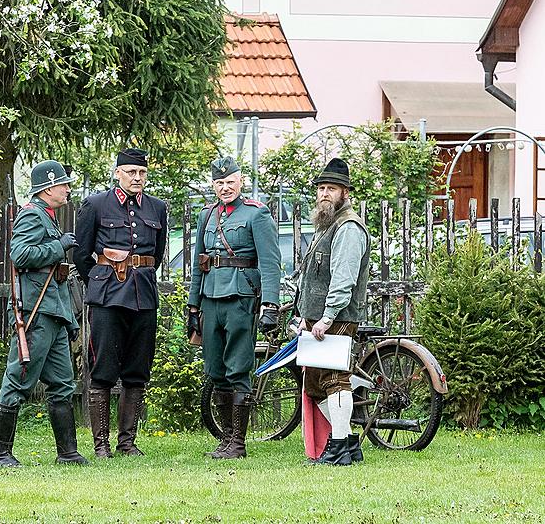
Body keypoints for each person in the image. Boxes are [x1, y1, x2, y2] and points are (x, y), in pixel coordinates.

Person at [0, 160, 88, 467]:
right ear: (48, 188)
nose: (68, 188)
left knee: (62, 383)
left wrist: (68, 318)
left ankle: (67, 452)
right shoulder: (32, 215)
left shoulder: (46, 216)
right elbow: (20, 255)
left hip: (53, 313)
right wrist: (59, 246)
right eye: (64, 184)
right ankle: (0, 453)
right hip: (35, 313)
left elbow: (52, 276)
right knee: (19, 378)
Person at [74, 148, 168, 458]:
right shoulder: (95, 205)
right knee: (102, 370)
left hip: (143, 295)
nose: (137, 178)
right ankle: (101, 445)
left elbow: (157, 252)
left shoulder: (157, 208)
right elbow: (81, 254)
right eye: (130, 172)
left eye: (141, 172)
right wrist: (100, 281)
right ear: (118, 173)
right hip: (107, 297)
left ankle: (127, 443)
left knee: (137, 369)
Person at [186, 156, 281, 459]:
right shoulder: (207, 215)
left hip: (241, 298)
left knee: (238, 367)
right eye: (219, 183)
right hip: (211, 298)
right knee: (215, 369)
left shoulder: (257, 214)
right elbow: (199, 263)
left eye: (230, 182)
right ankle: (226, 438)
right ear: (213, 185)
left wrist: (270, 304)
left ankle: (237, 442)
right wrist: (192, 305)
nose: (225, 187)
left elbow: (270, 263)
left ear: (241, 181)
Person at [296, 158, 370, 466]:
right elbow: (312, 275)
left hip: (338, 316)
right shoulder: (325, 224)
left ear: (345, 193)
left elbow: (343, 277)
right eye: (322, 188)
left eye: (332, 188)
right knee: (315, 384)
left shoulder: (349, 227)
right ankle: (348, 440)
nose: (325, 193)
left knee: (335, 379)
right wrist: (305, 314)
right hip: (318, 316)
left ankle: (339, 445)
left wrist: (327, 316)